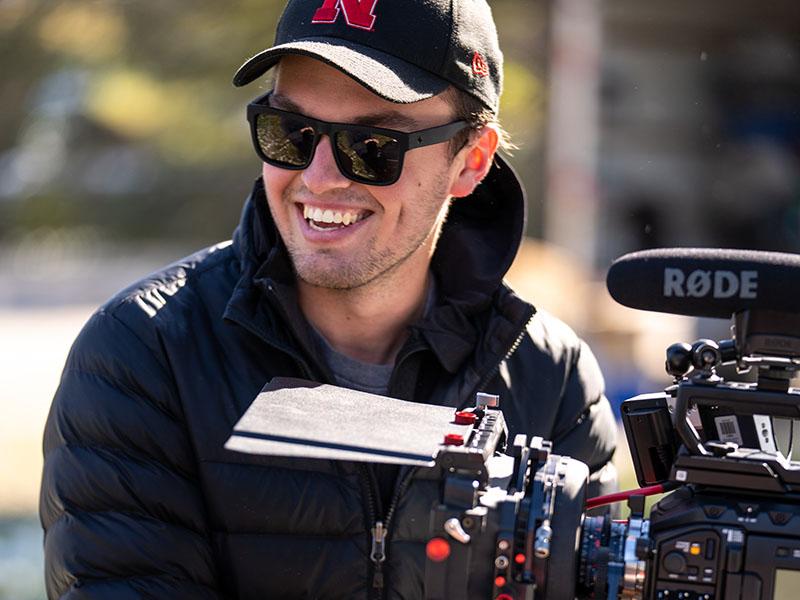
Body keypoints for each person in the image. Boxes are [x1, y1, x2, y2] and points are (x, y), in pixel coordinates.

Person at [40, 0, 617, 597]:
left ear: (470, 161)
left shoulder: (551, 377)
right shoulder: (143, 354)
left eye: (372, 145)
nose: (318, 178)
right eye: (291, 132)